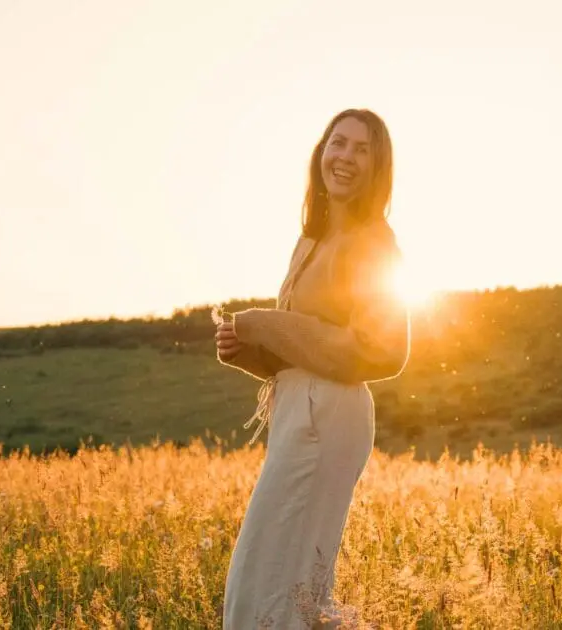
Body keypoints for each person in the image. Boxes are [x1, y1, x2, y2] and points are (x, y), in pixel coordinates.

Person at [214, 108, 410, 629]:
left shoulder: (373, 241)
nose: (345, 157)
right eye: (337, 143)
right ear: (320, 152)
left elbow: (381, 349)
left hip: (329, 415)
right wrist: (249, 349)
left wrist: (263, 324)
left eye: (361, 149)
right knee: (277, 582)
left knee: (274, 581)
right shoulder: (312, 241)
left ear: (377, 168)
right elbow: (308, 350)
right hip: (301, 412)